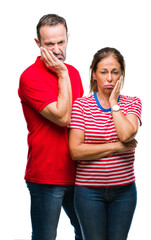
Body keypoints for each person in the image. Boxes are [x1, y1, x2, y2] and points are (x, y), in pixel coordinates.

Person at [18, 14, 83, 240]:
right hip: (46, 176)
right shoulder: (30, 77)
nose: (57, 50)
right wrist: (62, 73)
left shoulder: (74, 73)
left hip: (78, 174)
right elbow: (63, 118)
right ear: (38, 44)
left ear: (67, 38)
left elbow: (79, 121)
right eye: (49, 44)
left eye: (61, 42)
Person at [69, 47, 142, 240]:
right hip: (88, 192)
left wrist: (113, 103)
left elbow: (126, 134)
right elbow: (76, 151)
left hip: (124, 192)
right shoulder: (81, 105)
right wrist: (116, 147)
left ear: (121, 75)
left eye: (115, 72)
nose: (109, 78)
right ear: (94, 74)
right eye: (103, 72)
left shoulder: (132, 102)